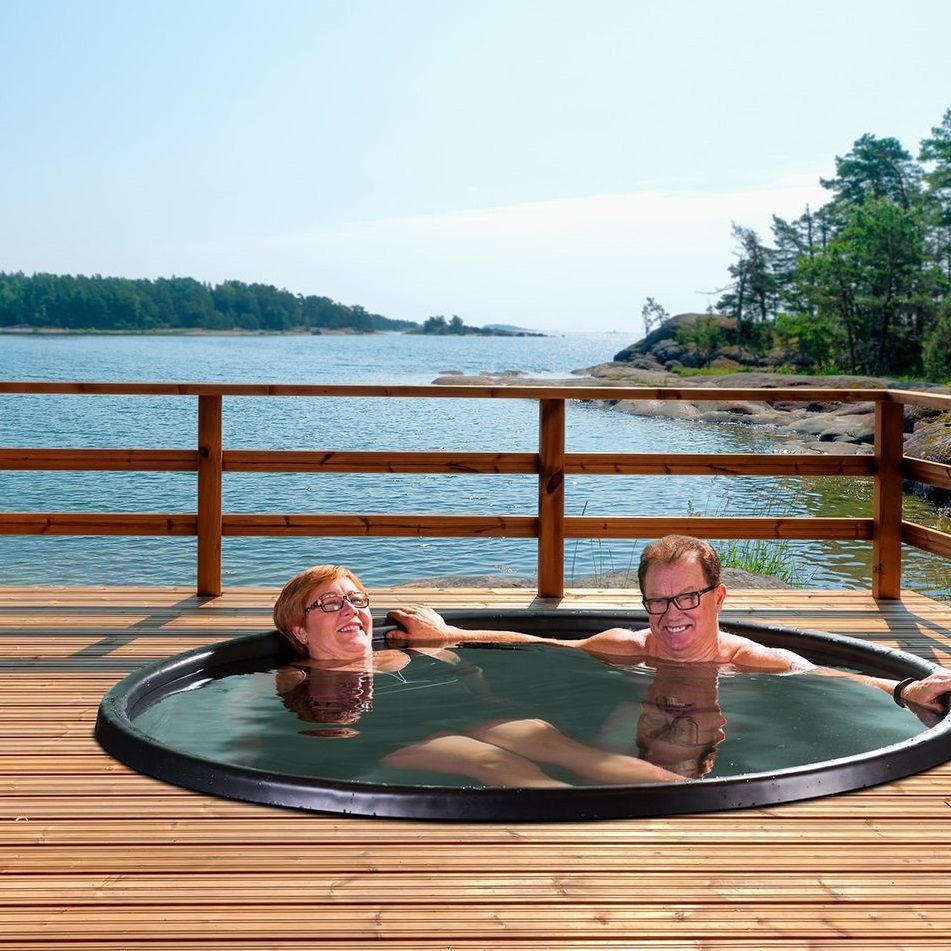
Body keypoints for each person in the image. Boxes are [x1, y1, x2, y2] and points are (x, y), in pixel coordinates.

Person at [388, 534, 951, 713]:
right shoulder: (627, 647)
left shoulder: (747, 660)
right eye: (657, 601)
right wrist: (452, 636)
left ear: (719, 597)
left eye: (687, 598)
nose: (672, 614)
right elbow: (539, 642)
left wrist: (906, 688)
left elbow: (830, 676)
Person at [271, 563, 685, 784]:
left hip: (472, 715)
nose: (350, 610)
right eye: (330, 604)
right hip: (398, 734)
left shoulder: (414, 646)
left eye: (356, 599)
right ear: (300, 630)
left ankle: (690, 798)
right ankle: (594, 839)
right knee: (496, 764)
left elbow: (476, 675)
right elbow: (307, 732)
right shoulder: (298, 675)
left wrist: (450, 640)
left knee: (573, 753)